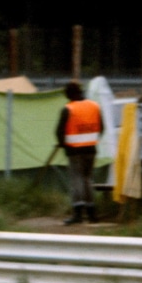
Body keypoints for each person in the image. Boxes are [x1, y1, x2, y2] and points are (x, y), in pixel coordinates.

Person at [55, 80, 104, 225]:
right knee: (88, 179)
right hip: (91, 149)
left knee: (76, 179)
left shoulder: (68, 109)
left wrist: (63, 144)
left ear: (69, 94)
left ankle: (77, 213)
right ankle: (92, 214)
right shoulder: (94, 106)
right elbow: (101, 128)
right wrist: (92, 139)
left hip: (74, 150)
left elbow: (59, 131)